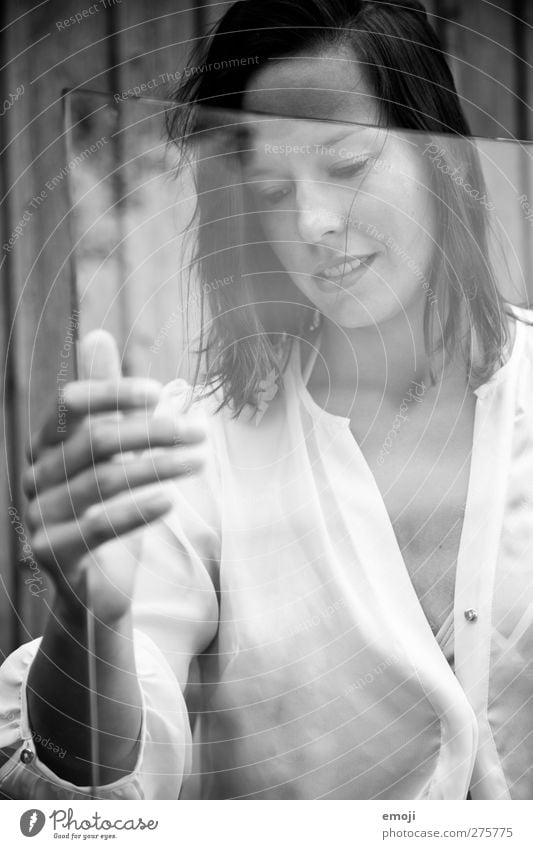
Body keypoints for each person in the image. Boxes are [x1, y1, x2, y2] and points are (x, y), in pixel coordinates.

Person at [1, 0, 533, 800]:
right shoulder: (195, 450)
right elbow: (108, 779)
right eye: (270, 189)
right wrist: (87, 618)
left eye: (347, 166)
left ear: (441, 152)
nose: (312, 222)